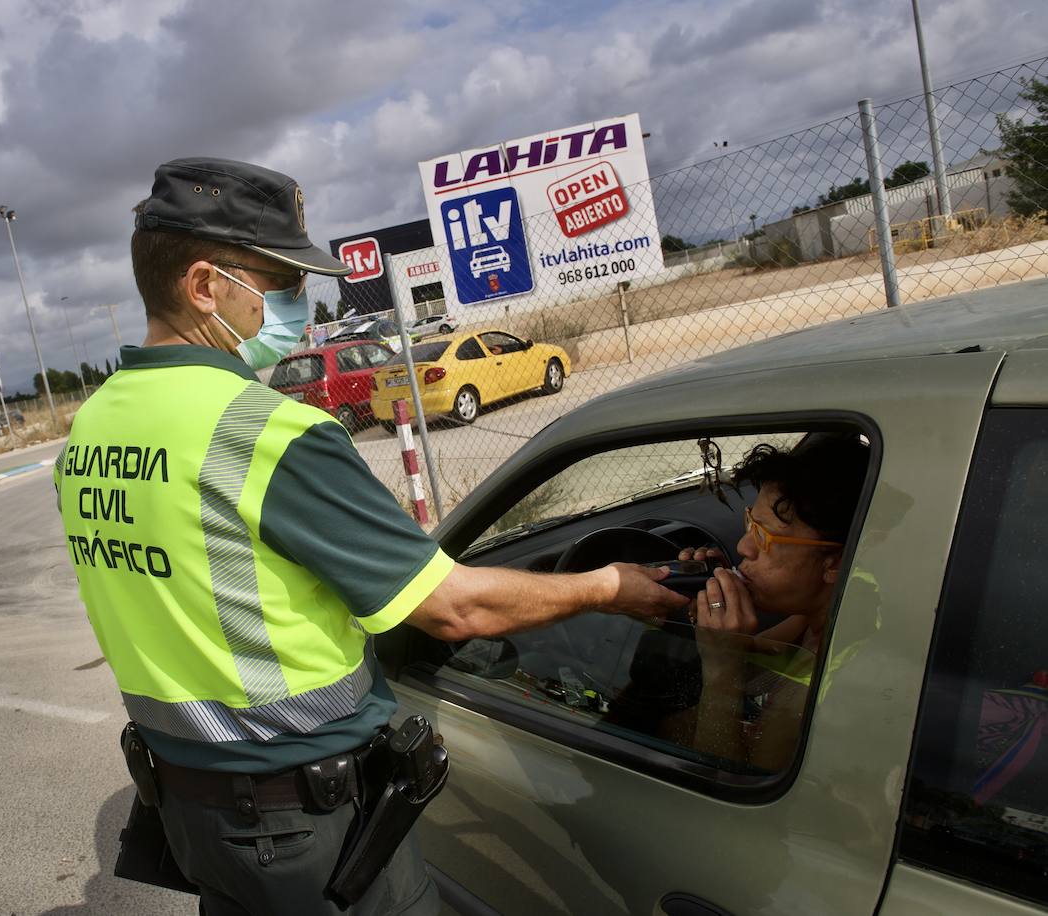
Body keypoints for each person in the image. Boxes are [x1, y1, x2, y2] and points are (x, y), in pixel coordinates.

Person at [54, 157, 688, 916]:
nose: (298, 304)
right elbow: (454, 610)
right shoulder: (266, 435)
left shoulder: (90, 431)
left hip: (192, 818)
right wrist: (608, 587)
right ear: (202, 286)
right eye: (280, 283)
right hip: (304, 825)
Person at [673, 436, 869, 772]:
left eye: (764, 536)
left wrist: (721, 665)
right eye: (751, 523)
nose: (744, 546)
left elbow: (729, 789)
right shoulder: (836, 605)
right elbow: (755, 670)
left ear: (835, 563)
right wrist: (714, 615)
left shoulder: (819, 691)